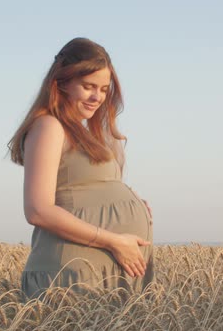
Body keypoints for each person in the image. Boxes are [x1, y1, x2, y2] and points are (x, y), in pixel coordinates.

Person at [8, 37, 154, 300]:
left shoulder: (88, 132)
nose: (97, 96)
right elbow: (38, 210)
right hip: (74, 271)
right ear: (61, 82)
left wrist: (133, 204)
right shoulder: (49, 127)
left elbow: (88, 187)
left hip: (107, 267)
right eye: (88, 86)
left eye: (103, 89)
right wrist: (113, 240)